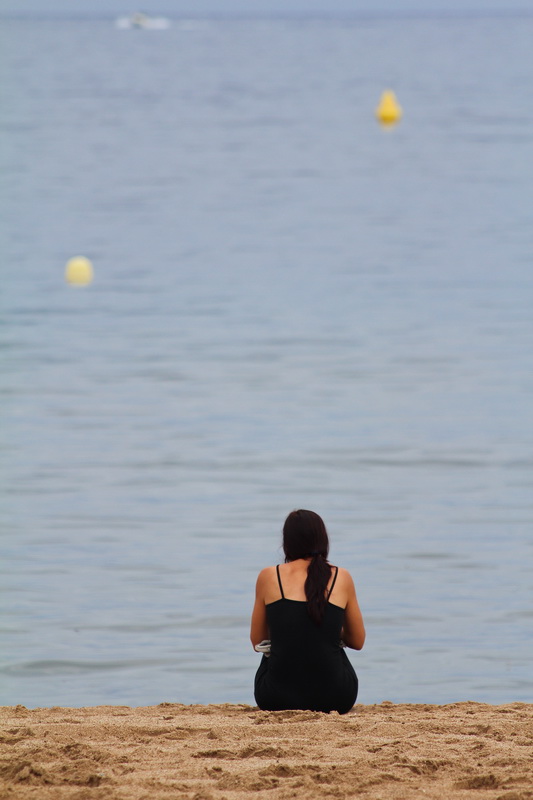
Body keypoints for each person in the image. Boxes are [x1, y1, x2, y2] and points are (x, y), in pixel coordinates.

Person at [251, 509, 365, 714]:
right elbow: (357, 641)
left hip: (275, 697)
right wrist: (327, 630)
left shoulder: (269, 576)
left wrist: (289, 628)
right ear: (323, 540)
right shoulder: (341, 577)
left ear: (287, 543)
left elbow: (258, 641)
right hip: (337, 696)